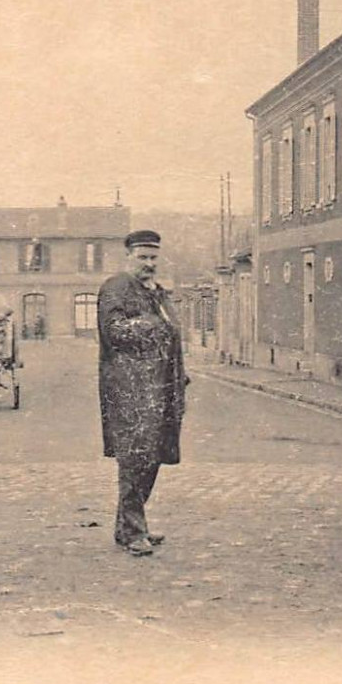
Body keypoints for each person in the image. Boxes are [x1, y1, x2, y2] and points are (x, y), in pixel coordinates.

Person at [98, 229, 188, 556]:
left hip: (162, 388)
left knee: (154, 457)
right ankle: (134, 530)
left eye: (153, 258)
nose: (149, 264)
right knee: (135, 457)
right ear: (128, 258)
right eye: (142, 258)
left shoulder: (158, 293)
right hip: (130, 390)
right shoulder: (116, 288)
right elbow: (113, 332)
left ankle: (130, 526)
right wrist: (153, 323)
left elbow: (173, 336)